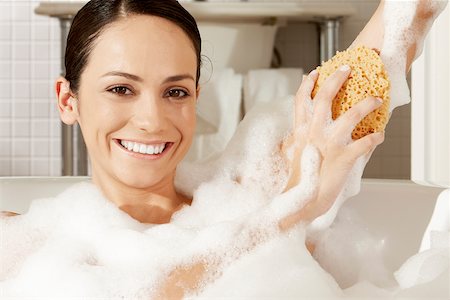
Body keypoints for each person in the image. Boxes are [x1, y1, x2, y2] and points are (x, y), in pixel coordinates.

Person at [1, 0, 443, 298]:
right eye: (121, 88)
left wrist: (294, 197)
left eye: (175, 92)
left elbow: (404, 20)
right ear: (67, 100)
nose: (152, 121)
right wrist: (297, 206)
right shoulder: (28, 245)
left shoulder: (260, 182)